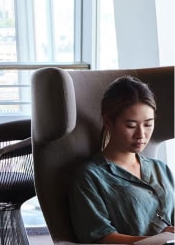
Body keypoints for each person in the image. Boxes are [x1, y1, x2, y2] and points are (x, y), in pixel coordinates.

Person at [69, 76, 174, 244]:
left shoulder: (161, 169)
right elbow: (100, 237)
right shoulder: (90, 177)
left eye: (148, 124)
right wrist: (158, 241)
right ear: (108, 121)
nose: (141, 135)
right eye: (131, 126)